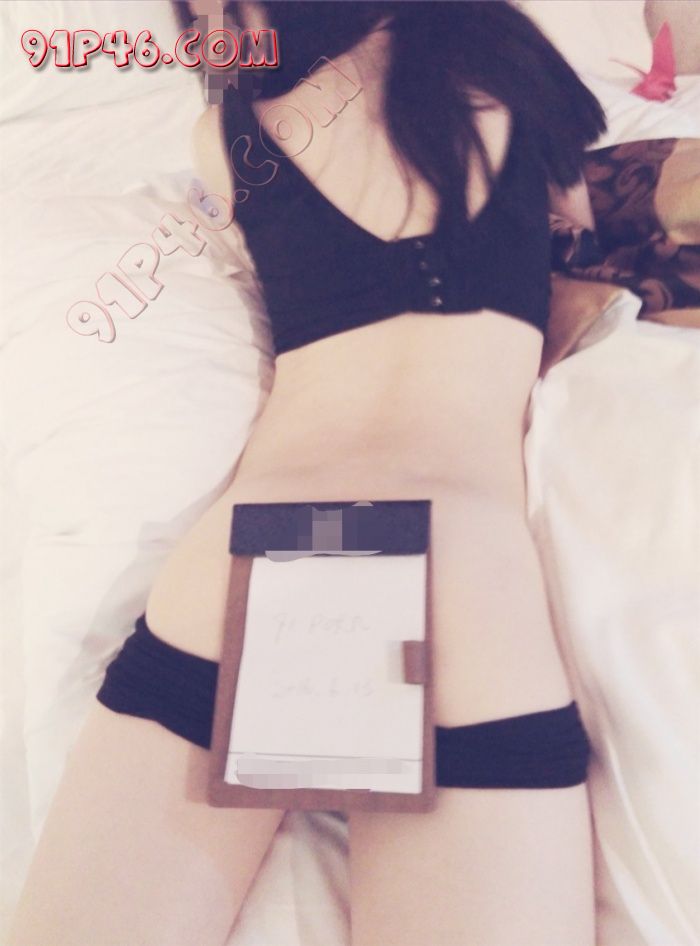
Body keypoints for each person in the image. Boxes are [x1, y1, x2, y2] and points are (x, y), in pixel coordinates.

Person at [8, 2, 607, 944]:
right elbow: (578, 220)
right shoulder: (513, 64)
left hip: (267, 545)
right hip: (458, 558)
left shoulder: (230, 137)